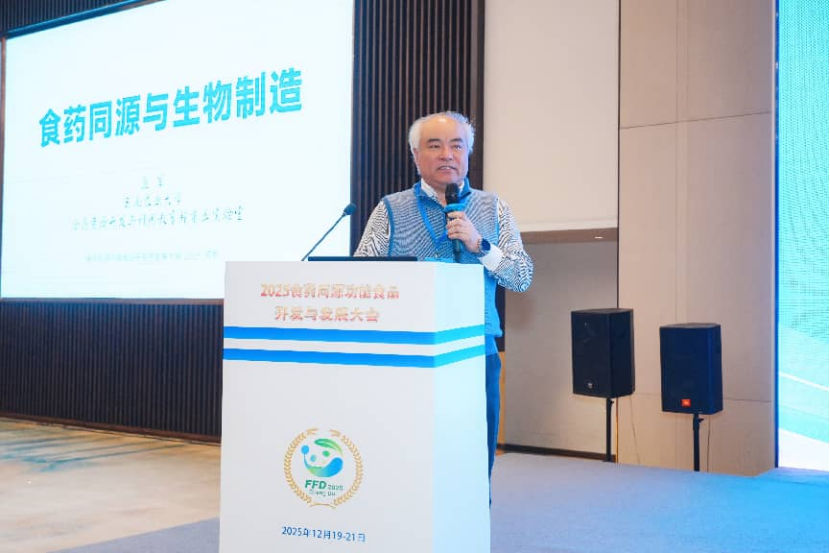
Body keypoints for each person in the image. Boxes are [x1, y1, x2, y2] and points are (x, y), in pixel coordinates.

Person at [354, 110, 534, 493]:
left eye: (457, 145)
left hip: (475, 353)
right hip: (407, 355)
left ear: (469, 153)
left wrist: (479, 244)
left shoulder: (493, 208)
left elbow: (522, 276)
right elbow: (359, 276)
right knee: (408, 459)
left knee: (473, 460)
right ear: (415, 155)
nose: (447, 154)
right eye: (434, 146)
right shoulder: (390, 209)